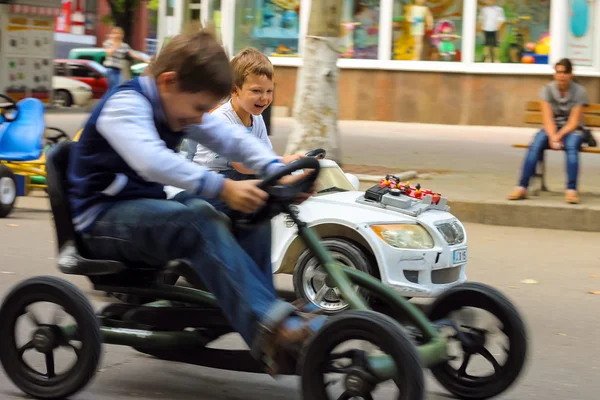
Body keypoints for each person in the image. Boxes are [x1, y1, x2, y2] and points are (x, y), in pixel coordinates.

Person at [67, 28, 327, 375]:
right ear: (169, 82)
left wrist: (277, 170)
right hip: (101, 221)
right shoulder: (126, 105)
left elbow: (230, 138)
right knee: (198, 219)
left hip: (143, 209)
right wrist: (221, 187)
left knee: (252, 207)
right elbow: (152, 160)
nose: (201, 117)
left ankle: (267, 321)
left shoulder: (176, 102)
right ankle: (271, 326)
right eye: (199, 107)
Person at [508, 58, 589, 204]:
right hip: (552, 129)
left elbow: (574, 122)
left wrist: (558, 136)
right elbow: (547, 119)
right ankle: (521, 187)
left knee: (571, 146)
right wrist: (553, 136)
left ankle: (571, 190)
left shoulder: (579, 92)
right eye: (558, 72)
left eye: (565, 73)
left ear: (571, 74)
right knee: (536, 144)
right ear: (554, 74)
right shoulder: (547, 90)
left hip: (573, 130)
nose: (561, 76)